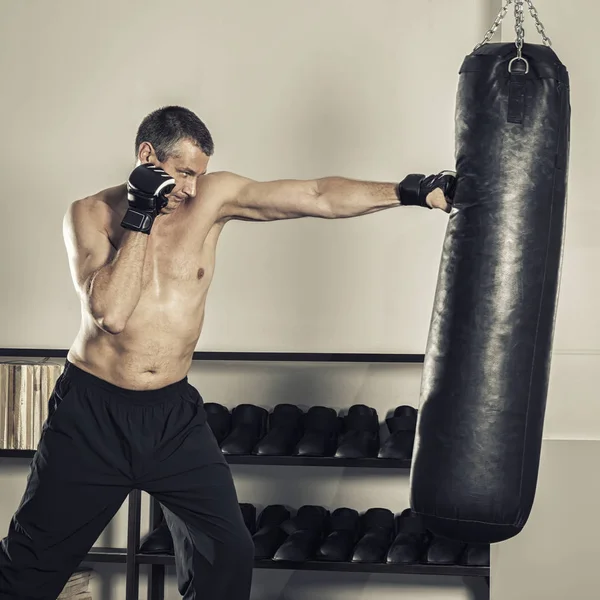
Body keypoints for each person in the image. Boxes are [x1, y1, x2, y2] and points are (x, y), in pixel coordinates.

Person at [0, 106, 455, 600]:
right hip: (93, 414)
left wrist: (413, 191)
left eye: (199, 174)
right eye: (184, 173)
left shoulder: (213, 198)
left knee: (227, 551)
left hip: (172, 416)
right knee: (31, 566)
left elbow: (316, 195)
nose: (193, 187)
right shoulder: (89, 213)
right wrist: (142, 213)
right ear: (147, 157)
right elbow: (110, 313)